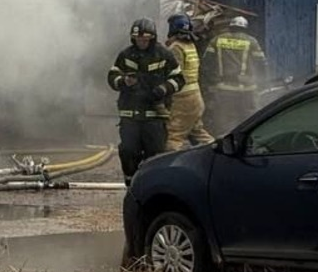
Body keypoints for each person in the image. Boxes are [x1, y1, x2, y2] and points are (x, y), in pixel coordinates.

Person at [107, 17, 184, 182]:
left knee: (155, 155)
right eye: (137, 38)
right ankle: (131, 183)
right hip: (130, 116)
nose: (141, 41)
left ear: (152, 38)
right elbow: (112, 76)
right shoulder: (126, 55)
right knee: (128, 151)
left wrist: (163, 89)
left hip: (154, 117)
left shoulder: (164, 54)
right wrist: (123, 81)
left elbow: (178, 79)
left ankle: (152, 185)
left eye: (144, 39)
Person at [202, 15, 268, 136]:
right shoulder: (251, 41)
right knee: (249, 120)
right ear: (245, 28)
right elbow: (261, 63)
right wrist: (261, 81)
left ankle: (224, 143)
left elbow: (207, 63)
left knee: (224, 121)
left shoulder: (217, 40)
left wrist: (211, 82)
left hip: (224, 88)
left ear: (231, 27)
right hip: (247, 89)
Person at [164, 13, 214, 148]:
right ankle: (215, 151)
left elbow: (174, 73)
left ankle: (169, 164)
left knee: (174, 135)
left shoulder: (176, 47)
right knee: (198, 132)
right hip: (195, 97)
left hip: (182, 99)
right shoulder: (190, 45)